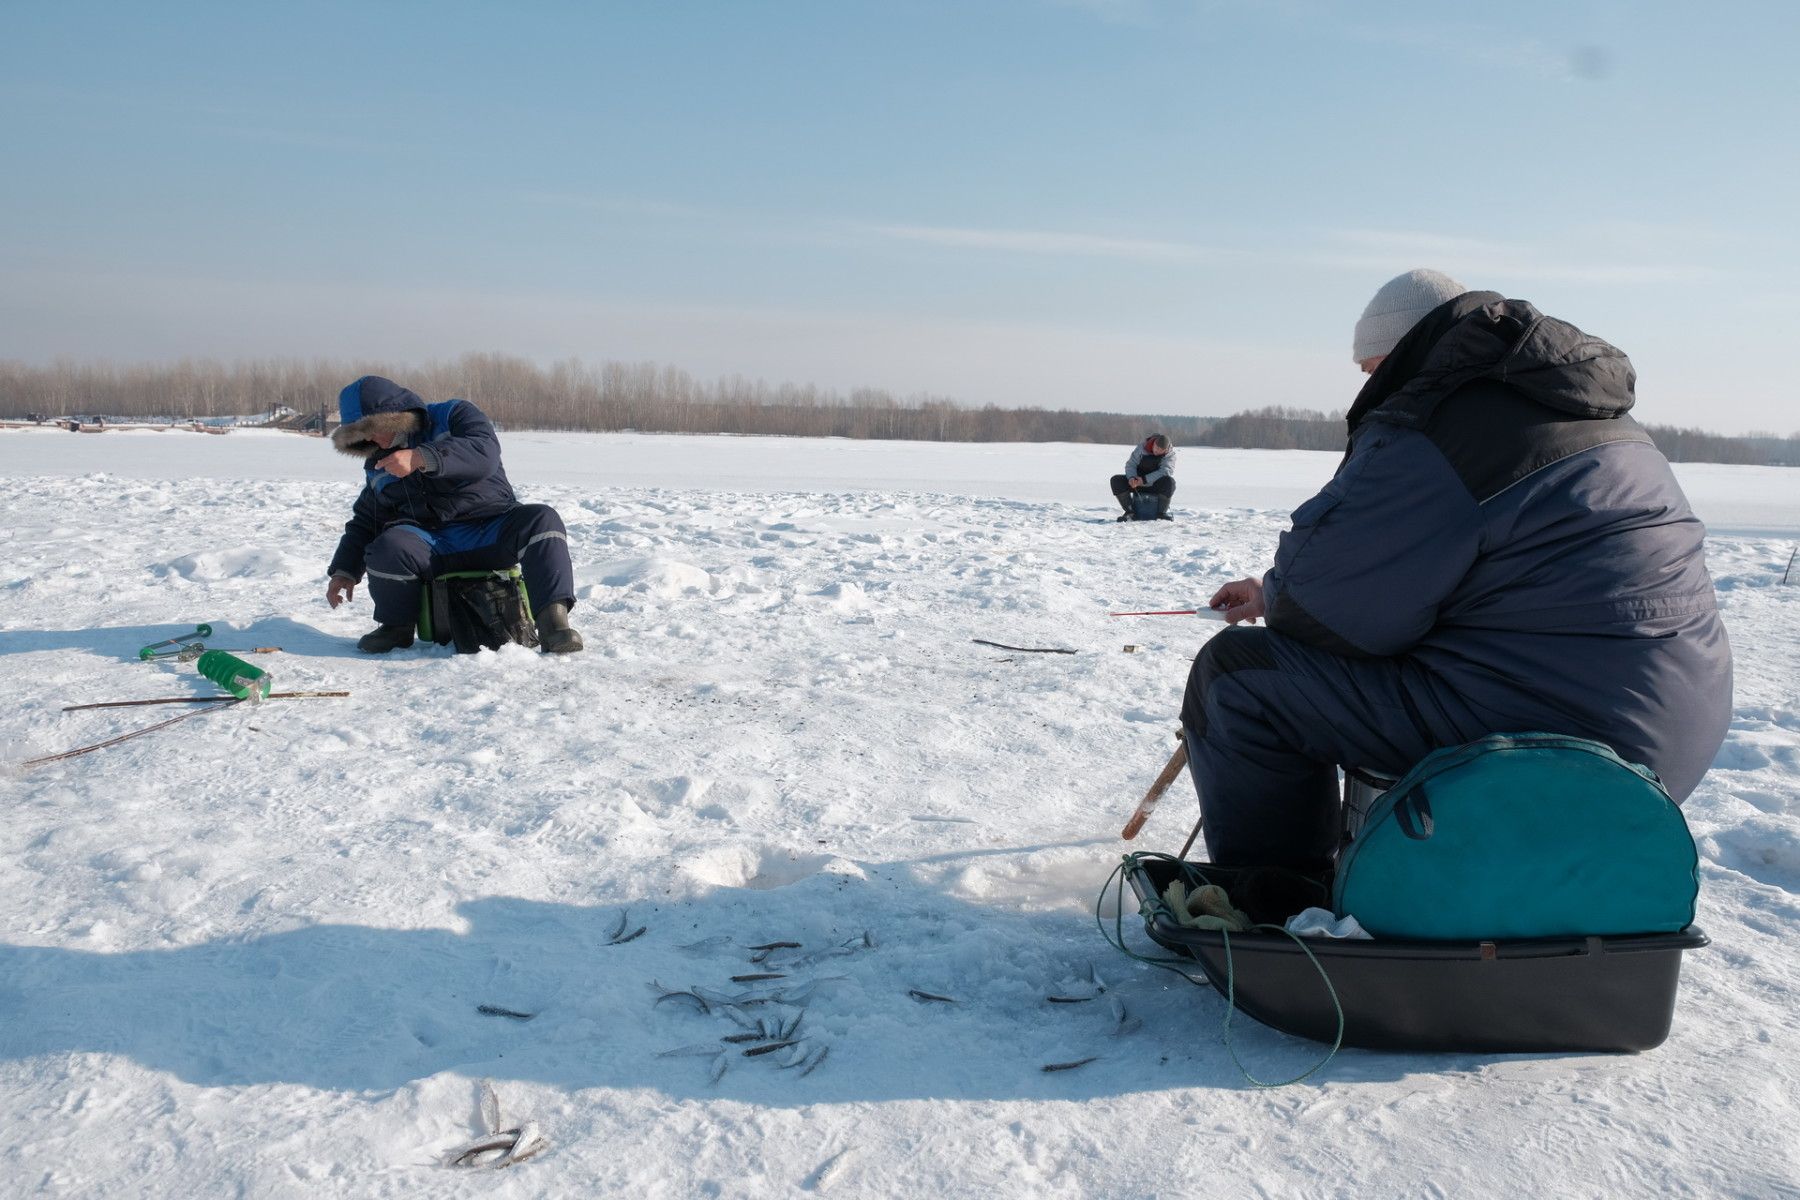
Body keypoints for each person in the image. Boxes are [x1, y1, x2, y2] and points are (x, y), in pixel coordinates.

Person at [1182, 269, 1731, 869]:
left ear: (1400, 351)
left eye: (1370, 370)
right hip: (1672, 733)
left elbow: (1329, 613)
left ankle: (1280, 903)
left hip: (1558, 738)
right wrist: (1274, 591)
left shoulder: (1438, 420)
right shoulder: (1590, 411)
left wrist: (1285, 598)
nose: (1368, 385)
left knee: (1236, 677)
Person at [324, 375, 584, 654]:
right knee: (388, 545)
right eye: (363, 435)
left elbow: (484, 453)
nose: (372, 438)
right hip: (430, 545)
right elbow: (367, 520)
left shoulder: (453, 415)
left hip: (490, 528)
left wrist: (421, 457)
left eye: (374, 428)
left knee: (542, 520)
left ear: (395, 416)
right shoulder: (377, 463)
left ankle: (554, 625)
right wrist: (345, 570)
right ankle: (395, 627)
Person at [1111, 434, 1177, 520]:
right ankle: (1130, 512)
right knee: (1116, 480)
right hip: (1136, 484)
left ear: (1166, 449)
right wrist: (1132, 478)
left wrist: (1144, 480)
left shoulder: (1170, 455)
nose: (1157, 451)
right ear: (1153, 444)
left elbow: (1165, 471)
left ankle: (1161, 514)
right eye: (1156, 447)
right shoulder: (1142, 448)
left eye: (1161, 450)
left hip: (1154, 485)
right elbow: (1131, 464)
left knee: (1170, 482)